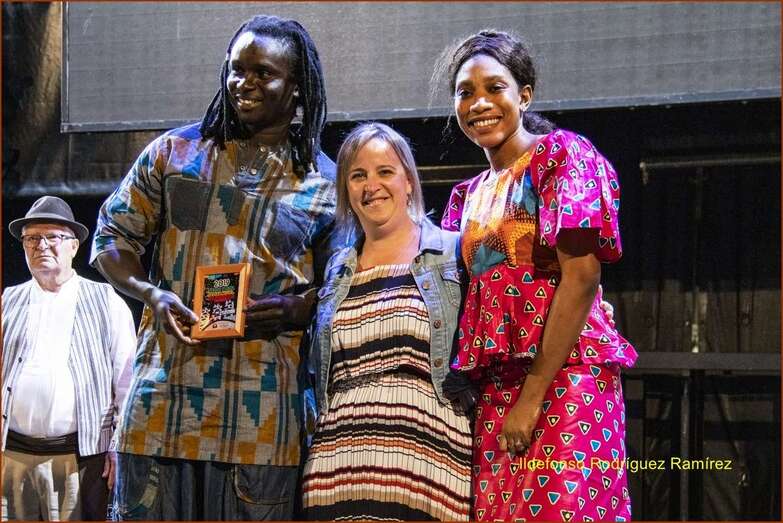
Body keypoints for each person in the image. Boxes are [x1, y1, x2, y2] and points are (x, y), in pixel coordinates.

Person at [90, 15, 337, 520]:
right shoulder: (174, 153)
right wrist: (150, 293)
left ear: (296, 86)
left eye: (262, 73)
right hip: (162, 406)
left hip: (262, 418)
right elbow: (111, 236)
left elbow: (345, 283)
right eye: (235, 69)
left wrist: (298, 309)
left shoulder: (324, 182)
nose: (243, 83)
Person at [435, 30, 638, 521]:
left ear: (524, 95)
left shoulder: (561, 157)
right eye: (465, 92)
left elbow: (582, 278)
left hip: (564, 378)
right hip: (496, 388)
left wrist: (531, 397)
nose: (479, 103)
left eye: (494, 88)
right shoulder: (467, 197)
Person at [300, 123, 473, 521]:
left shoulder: (452, 252)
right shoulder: (337, 269)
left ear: (408, 181)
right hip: (336, 471)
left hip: (427, 466)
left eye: (385, 172)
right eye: (358, 175)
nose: (371, 186)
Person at [2, 195, 135, 521]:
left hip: (79, 456)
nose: (41, 245)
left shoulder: (105, 300)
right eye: (32, 238)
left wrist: (120, 447)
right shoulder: (8, 299)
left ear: (74, 246)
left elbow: (127, 382)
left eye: (52, 237)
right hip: (13, 453)